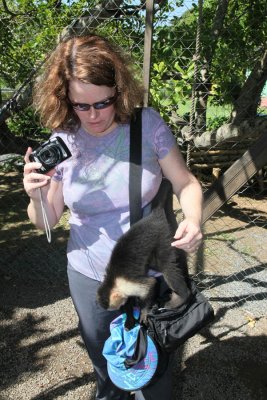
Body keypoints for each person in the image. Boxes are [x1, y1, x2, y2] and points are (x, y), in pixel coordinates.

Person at [23, 34, 203, 400]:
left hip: (146, 274)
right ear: (65, 100)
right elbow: (46, 220)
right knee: (107, 373)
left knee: (154, 376)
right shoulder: (64, 139)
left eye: (102, 103)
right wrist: (36, 194)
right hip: (89, 276)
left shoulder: (147, 125)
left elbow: (187, 184)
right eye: (80, 106)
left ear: (118, 90)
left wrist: (194, 219)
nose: (92, 116)